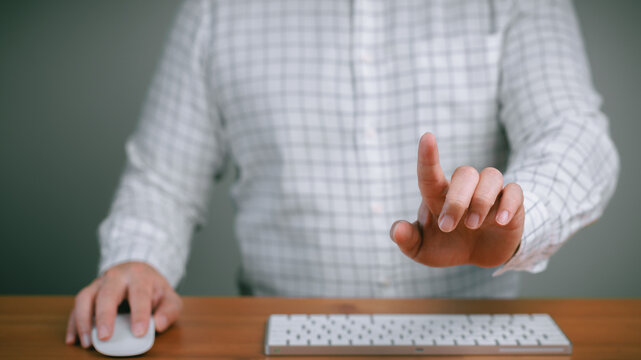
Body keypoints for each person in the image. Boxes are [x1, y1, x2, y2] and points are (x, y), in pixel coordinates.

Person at [65, 0, 619, 349]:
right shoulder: (217, 10)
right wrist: (137, 260)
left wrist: (518, 218)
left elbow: (574, 134)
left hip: (472, 337)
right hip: (280, 334)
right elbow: (162, 178)